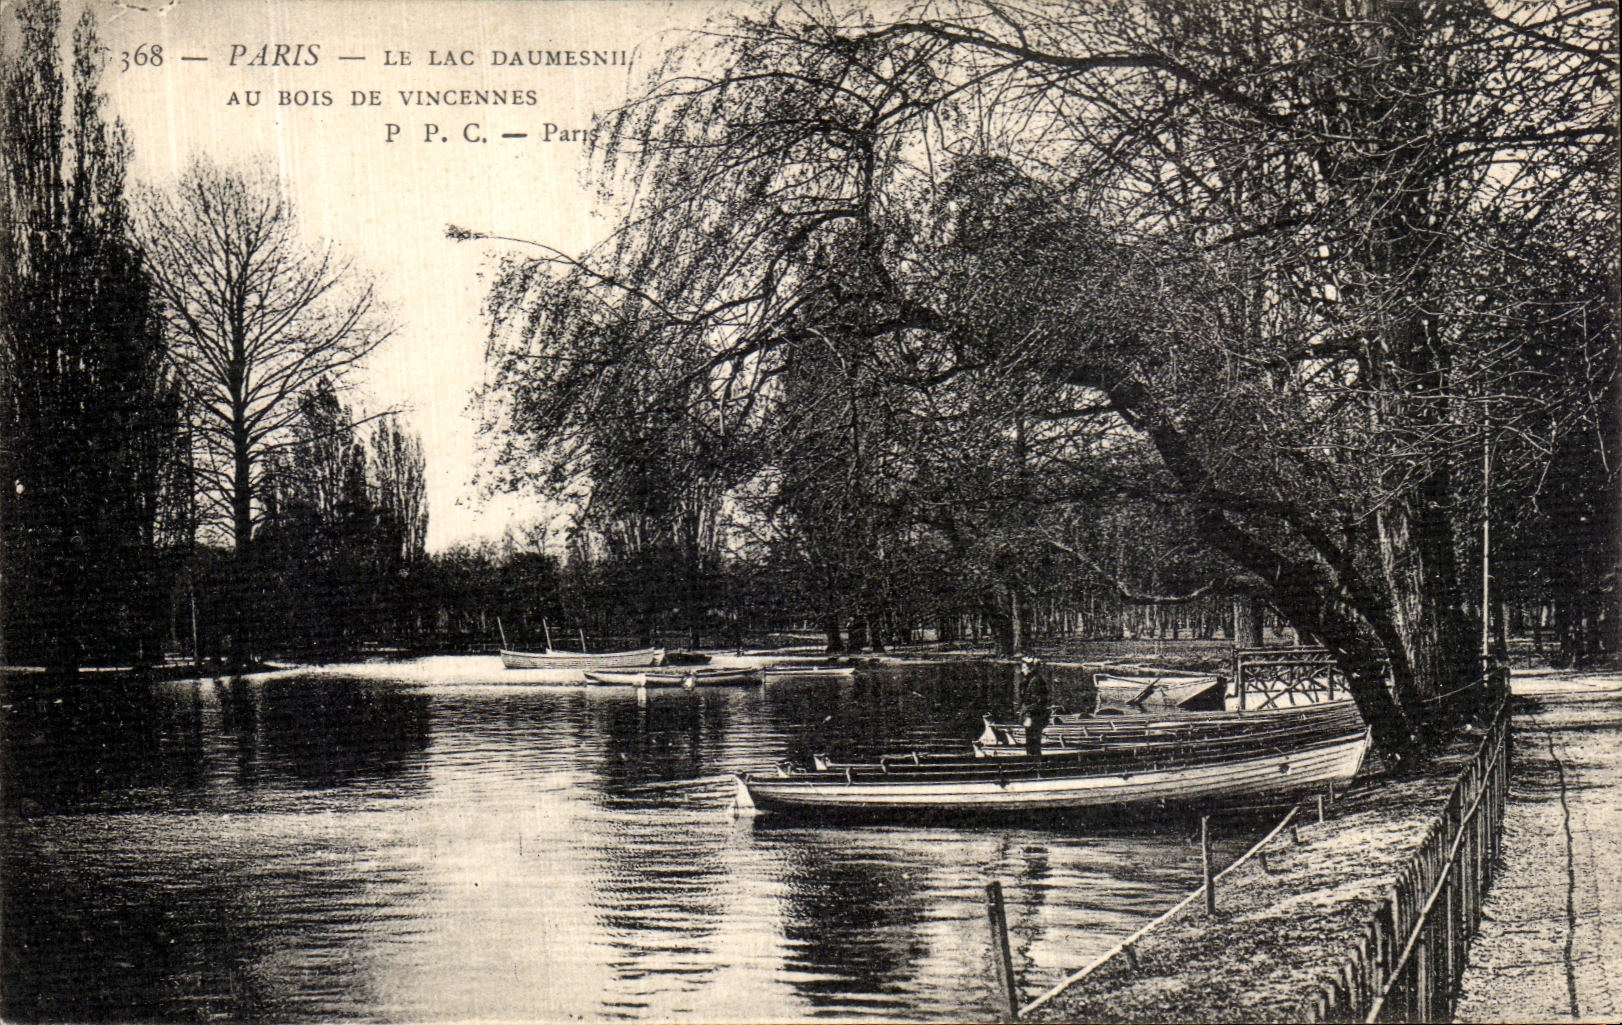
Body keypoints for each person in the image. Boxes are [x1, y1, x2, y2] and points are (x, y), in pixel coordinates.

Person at [1017, 656, 1051, 758]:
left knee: (1033, 743)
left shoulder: (1035, 681)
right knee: (1032, 743)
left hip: (1034, 717)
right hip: (1032, 716)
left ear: (1031, 668)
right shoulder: (1030, 680)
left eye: (1024, 668)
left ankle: (1033, 763)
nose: (1022, 671)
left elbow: (1039, 701)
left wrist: (1029, 715)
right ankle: (1032, 761)